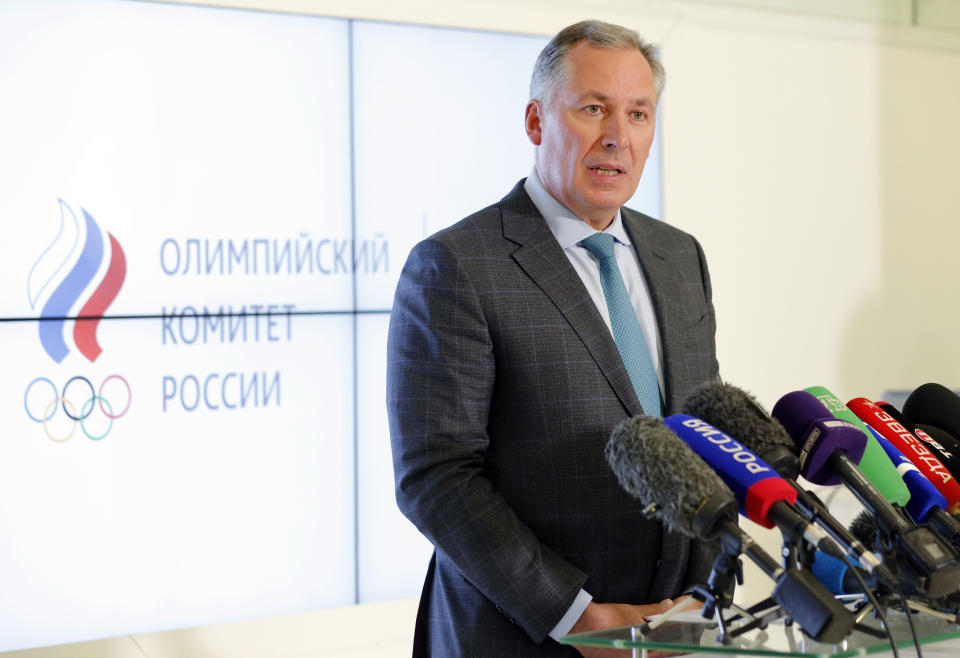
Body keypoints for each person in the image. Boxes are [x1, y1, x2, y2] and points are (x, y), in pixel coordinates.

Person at [387, 19, 720, 657]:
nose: (618, 138)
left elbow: (699, 436)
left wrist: (701, 596)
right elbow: (436, 476)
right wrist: (574, 615)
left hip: (676, 630)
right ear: (537, 122)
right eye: (594, 109)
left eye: (639, 114)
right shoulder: (456, 264)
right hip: (523, 635)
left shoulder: (681, 258)